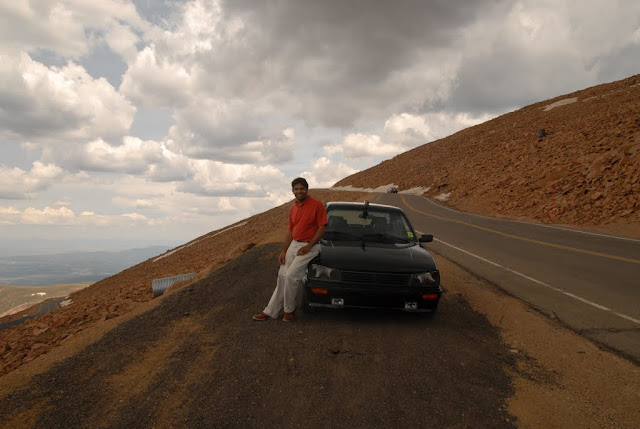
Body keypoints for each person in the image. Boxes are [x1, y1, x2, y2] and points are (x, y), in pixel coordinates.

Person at [253, 177, 327, 322]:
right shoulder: (294, 208)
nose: (299, 191)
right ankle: (271, 311)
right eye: (296, 189)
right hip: (294, 244)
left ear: (307, 190)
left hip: (310, 246)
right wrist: (284, 251)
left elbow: (322, 227)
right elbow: (290, 231)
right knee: (282, 276)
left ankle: (289, 310)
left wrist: (308, 246)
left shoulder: (317, 205)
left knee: (291, 276)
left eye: (302, 188)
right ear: (293, 191)